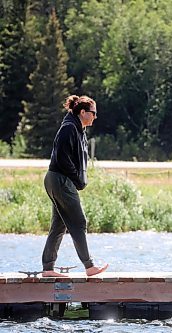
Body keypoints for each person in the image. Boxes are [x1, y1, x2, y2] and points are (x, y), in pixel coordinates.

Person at [41, 95, 108, 277]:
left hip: (58, 179)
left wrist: (77, 179)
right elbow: (62, 158)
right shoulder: (69, 128)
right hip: (60, 179)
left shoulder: (78, 129)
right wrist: (77, 179)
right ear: (83, 112)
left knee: (59, 224)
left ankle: (48, 269)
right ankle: (90, 266)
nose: (95, 116)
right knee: (79, 221)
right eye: (93, 113)